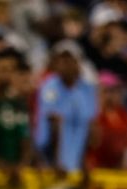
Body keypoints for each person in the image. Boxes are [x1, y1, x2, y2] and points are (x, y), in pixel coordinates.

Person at [34, 41, 98, 174]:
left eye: (69, 60)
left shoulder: (87, 89)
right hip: (53, 164)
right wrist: (57, 163)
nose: (65, 64)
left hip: (77, 163)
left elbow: (91, 127)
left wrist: (86, 162)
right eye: (61, 60)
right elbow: (54, 125)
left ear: (78, 62)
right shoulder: (49, 86)